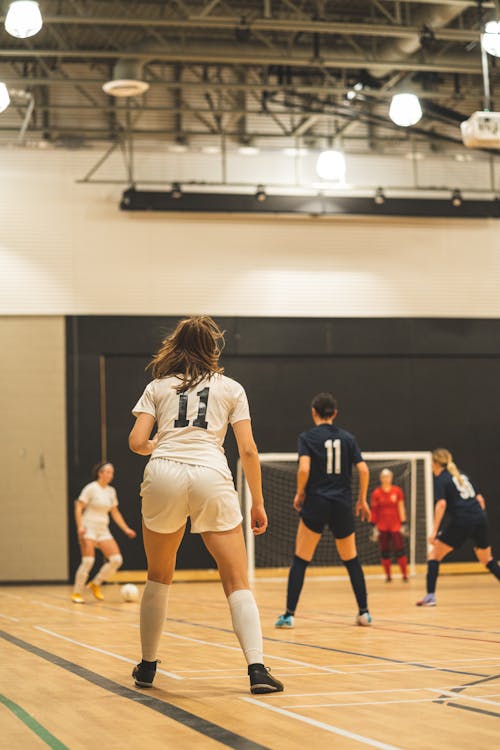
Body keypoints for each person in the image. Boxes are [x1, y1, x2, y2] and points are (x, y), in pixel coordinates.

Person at [128, 315, 283, 694]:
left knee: (158, 575)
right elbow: (247, 448)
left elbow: (136, 441)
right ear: (212, 349)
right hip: (210, 473)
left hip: (163, 471)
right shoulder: (231, 388)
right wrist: (258, 502)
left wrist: (155, 447)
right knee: (235, 578)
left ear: (175, 347)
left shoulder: (157, 387)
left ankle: (148, 667)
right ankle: (257, 669)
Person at [275, 392, 372, 629]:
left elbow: (304, 469)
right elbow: (364, 469)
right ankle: (364, 613)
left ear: (313, 412)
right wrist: (362, 500)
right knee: (351, 559)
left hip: (316, 503)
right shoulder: (348, 438)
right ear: (335, 414)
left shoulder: (307, 437)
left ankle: (289, 615)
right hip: (341, 504)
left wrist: (300, 493)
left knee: (301, 559)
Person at [417, 448, 500, 606]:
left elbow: (441, 504)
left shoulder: (441, 479)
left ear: (435, 463)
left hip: (463, 520)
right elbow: (480, 499)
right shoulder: (462, 475)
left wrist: (434, 531)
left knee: (434, 555)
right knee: (487, 559)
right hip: (479, 518)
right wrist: (476, 516)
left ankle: (430, 597)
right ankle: (430, 596)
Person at [72, 462, 136, 603]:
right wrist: (80, 526)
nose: (110, 475)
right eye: (107, 472)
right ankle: (77, 592)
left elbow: (115, 512)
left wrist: (126, 529)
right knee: (88, 561)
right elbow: (78, 507)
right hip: (88, 527)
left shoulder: (111, 491)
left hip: (103, 529)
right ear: (100, 473)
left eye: (112, 472)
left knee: (116, 560)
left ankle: (96, 583)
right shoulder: (91, 488)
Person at [370, 468, 409, 582]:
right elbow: (374, 510)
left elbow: (401, 507)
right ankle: (388, 576)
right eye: (384, 477)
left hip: (395, 525)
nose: (386, 479)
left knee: (400, 550)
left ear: (391, 478)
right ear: (380, 478)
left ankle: (405, 575)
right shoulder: (376, 493)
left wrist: (403, 523)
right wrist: (373, 525)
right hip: (382, 526)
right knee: (385, 551)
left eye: (388, 476)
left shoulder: (397, 491)